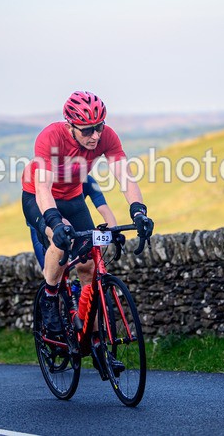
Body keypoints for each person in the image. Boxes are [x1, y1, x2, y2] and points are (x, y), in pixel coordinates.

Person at [22, 90, 154, 336]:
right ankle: (50, 297)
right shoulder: (51, 137)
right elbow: (43, 188)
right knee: (59, 240)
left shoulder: (106, 137)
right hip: (38, 197)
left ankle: (94, 339)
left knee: (89, 267)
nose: (95, 136)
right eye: (87, 130)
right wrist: (54, 222)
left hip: (73, 198)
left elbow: (125, 176)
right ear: (71, 125)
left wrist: (139, 211)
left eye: (99, 127)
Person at [28, 174, 117, 269]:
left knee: (85, 260)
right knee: (51, 268)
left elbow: (104, 209)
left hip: (71, 215)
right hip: (43, 216)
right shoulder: (54, 179)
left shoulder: (88, 181)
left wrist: (114, 232)